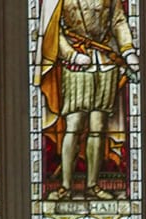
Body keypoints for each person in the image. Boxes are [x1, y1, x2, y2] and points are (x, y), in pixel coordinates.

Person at [35, 0, 140, 200]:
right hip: (77, 64)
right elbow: (53, 29)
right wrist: (72, 55)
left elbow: (118, 21)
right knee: (74, 125)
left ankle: (93, 185)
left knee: (98, 127)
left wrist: (128, 52)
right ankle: (65, 186)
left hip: (106, 63)